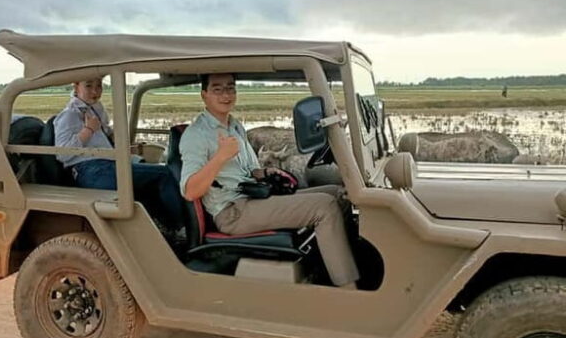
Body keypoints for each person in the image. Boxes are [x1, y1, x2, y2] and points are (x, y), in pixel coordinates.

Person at [179, 73, 359, 288]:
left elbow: (249, 171)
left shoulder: (234, 126)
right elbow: (190, 190)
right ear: (204, 95)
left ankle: (330, 267)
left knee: (338, 194)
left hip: (253, 197)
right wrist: (221, 157)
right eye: (217, 89)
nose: (226, 94)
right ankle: (348, 289)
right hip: (233, 212)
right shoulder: (196, 135)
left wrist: (265, 173)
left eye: (230, 88)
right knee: (324, 205)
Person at [54, 78, 184, 232]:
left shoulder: (94, 109)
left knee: (150, 179)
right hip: (91, 170)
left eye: (99, 86)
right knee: (164, 174)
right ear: (76, 86)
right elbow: (62, 154)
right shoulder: (69, 115)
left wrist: (115, 138)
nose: (95, 91)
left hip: (106, 164)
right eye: (88, 86)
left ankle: (161, 228)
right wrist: (88, 130)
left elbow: (103, 137)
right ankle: (180, 227)